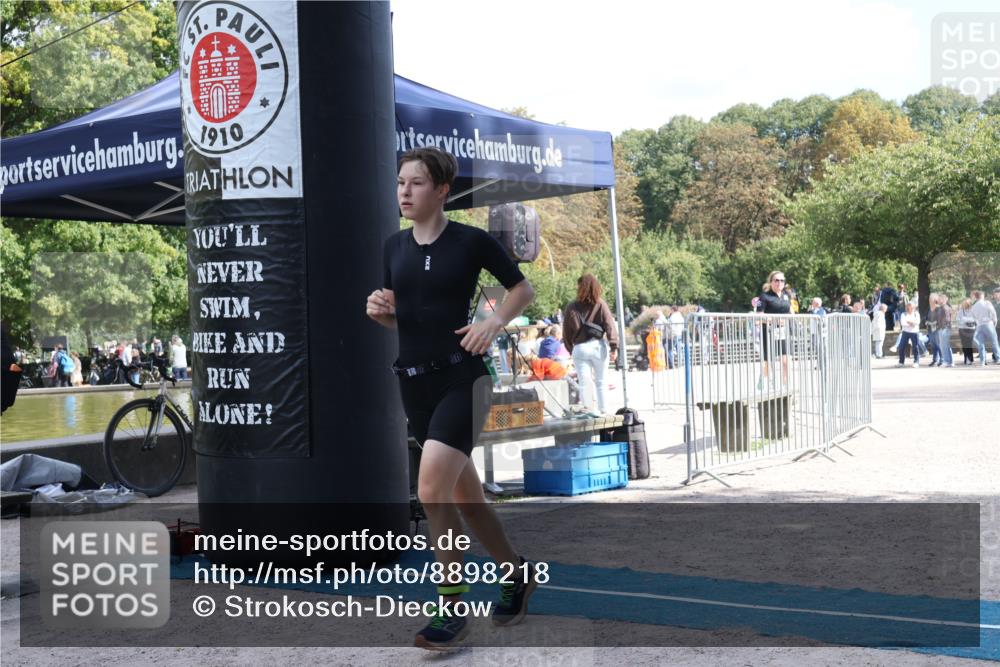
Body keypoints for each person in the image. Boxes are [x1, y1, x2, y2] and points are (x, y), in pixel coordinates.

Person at [366, 146, 537, 650]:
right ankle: (516, 573)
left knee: (431, 490)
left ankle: (451, 608)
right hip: (413, 383)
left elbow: (521, 290)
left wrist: (493, 321)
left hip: (465, 379)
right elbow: (409, 316)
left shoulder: (471, 241)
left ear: (442, 190)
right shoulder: (393, 247)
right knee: (468, 499)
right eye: (400, 182)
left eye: (416, 183)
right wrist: (382, 312)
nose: (404, 191)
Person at [562, 274, 619, 417]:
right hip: (598, 346)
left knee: (584, 380)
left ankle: (588, 408)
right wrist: (614, 346)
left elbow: (566, 332)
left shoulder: (571, 307)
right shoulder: (601, 304)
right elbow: (610, 325)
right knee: (601, 381)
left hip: (580, 348)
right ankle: (604, 410)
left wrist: (571, 349)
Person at [754, 270, 791, 389]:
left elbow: (790, 311)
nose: (779, 282)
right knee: (767, 361)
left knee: (785, 360)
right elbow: (758, 317)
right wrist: (773, 320)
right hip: (768, 331)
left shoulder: (786, 295)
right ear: (771, 282)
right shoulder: (764, 297)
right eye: (776, 280)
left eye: (782, 280)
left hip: (782, 332)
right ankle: (764, 381)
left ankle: (786, 386)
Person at [970, 290, 1000, 366]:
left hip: (979, 325)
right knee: (994, 342)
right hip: (988, 323)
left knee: (981, 344)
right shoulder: (987, 303)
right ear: (982, 296)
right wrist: (994, 323)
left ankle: (982, 361)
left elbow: (973, 317)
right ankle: (998, 358)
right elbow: (993, 313)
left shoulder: (974, 306)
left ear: (976, 297)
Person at [931, 294, 953, 367]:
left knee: (944, 346)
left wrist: (941, 327)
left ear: (944, 300)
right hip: (942, 328)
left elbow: (947, 320)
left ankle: (947, 361)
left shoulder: (945, 308)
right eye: (939, 299)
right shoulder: (941, 308)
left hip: (944, 329)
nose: (939, 300)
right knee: (944, 345)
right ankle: (950, 361)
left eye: (940, 299)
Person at [897, 302, 922, 367]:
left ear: (913, 308)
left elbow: (918, 322)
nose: (909, 308)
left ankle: (916, 361)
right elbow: (903, 323)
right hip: (905, 332)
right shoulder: (903, 314)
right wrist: (912, 323)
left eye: (911, 307)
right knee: (901, 347)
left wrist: (909, 322)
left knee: (915, 347)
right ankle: (901, 362)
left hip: (914, 332)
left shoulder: (916, 314)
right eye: (908, 307)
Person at [956, 298, 977, 364]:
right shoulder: (961, 311)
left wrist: (965, 319)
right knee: (964, 345)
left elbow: (975, 319)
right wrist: (966, 320)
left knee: (969, 344)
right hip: (962, 329)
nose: (965, 305)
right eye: (964, 304)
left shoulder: (973, 310)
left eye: (966, 304)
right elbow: (958, 319)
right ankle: (966, 358)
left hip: (971, 329)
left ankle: (970, 359)